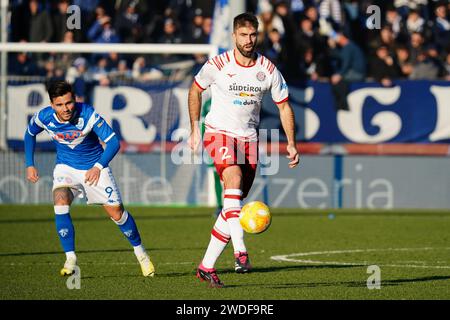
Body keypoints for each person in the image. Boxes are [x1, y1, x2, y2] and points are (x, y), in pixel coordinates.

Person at [188, 13, 300, 288]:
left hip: (249, 140)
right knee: (233, 178)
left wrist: (291, 143)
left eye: (253, 35)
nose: (248, 40)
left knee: (232, 205)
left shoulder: (268, 69)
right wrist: (194, 127)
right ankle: (241, 252)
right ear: (234, 36)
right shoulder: (218, 64)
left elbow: (284, 106)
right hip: (218, 132)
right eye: (243, 35)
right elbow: (195, 90)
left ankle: (206, 266)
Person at [24, 81, 155, 277]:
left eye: (68, 103)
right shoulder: (44, 117)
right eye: (59, 105)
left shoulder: (88, 114)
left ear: (75, 99)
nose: (65, 108)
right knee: (60, 202)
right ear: (52, 105)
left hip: (94, 168)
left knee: (117, 214)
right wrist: (29, 163)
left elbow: (113, 142)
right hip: (65, 167)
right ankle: (70, 258)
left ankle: (141, 254)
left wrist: (98, 166)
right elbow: (29, 134)